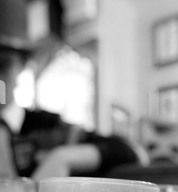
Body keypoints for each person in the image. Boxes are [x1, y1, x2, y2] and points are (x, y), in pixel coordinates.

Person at [0, 0, 147, 182]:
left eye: (3, 65)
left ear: (22, 65)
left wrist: (63, 158)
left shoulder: (47, 128)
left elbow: (130, 150)